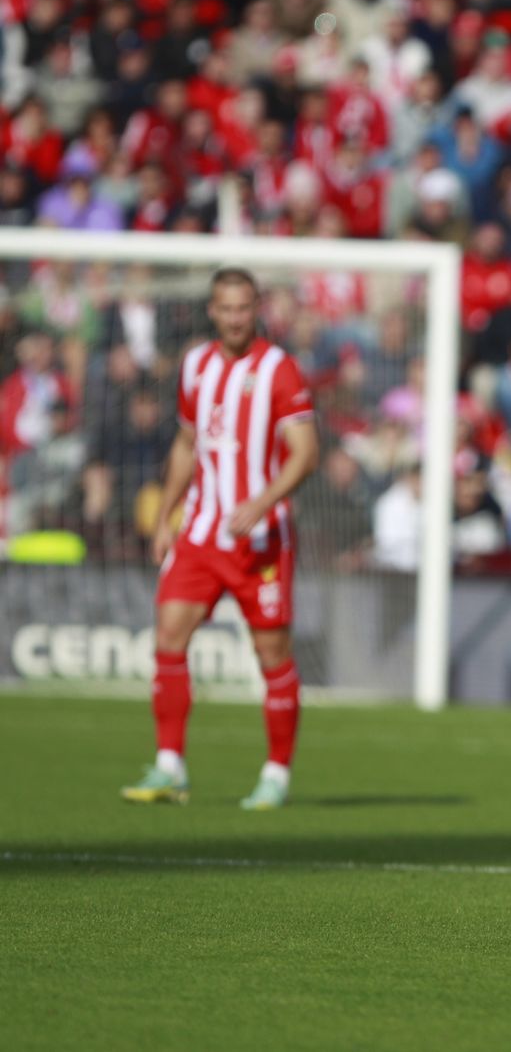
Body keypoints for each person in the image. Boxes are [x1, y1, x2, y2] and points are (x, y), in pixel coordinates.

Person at [120, 269, 320, 810]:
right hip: (203, 532)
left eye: (243, 307)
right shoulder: (195, 365)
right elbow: (187, 443)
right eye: (225, 308)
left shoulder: (278, 369)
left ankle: (276, 773)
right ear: (212, 310)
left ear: (256, 308)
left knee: (271, 655)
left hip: (261, 543)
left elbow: (306, 451)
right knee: (168, 635)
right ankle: (169, 767)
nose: (234, 317)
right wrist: (165, 517)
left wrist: (263, 500)